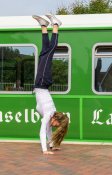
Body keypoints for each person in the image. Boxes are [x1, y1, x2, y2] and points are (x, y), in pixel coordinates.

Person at [32, 14, 69, 155]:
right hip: (42, 82)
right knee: (49, 52)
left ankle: (43, 25)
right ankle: (56, 25)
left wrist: (53, 145)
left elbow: (47, 130)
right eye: (56, 125)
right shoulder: (49, 113)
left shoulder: (50, 115)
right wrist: (44, 150)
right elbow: (43, 131)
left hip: (40, 84)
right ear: (55, 118)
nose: (54, 127)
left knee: (43, 53)